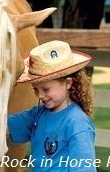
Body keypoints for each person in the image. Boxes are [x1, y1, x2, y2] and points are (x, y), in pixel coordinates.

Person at [7, 40, 96, 171]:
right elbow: (4, 127)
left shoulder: (78, 124)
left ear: (68, 83)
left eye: (46, 89)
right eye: (36, 89)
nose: (40, 95)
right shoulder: (37, 115)